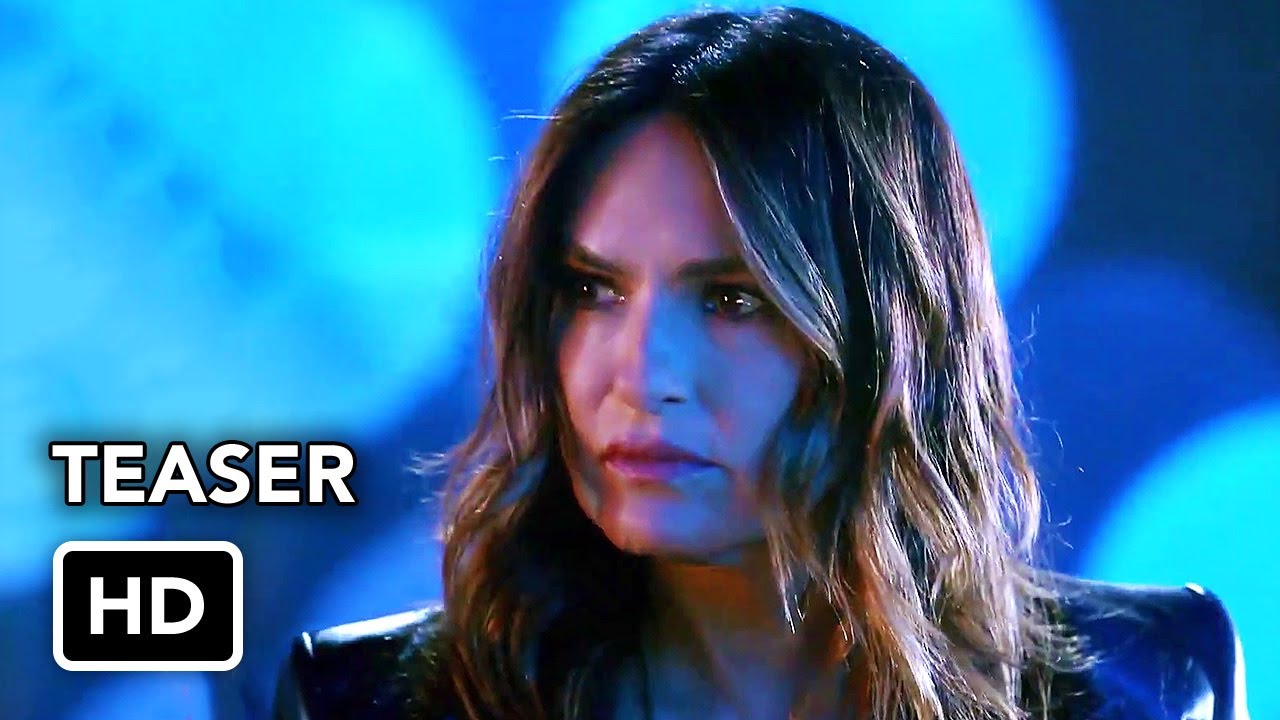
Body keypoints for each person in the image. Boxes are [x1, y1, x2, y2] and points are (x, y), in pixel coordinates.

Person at [272, 7, 1248, 720]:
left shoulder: (1145, 681)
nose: (641, 375)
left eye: (732, 301)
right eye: (592, 290)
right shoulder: (369, 700)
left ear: (886, 338)